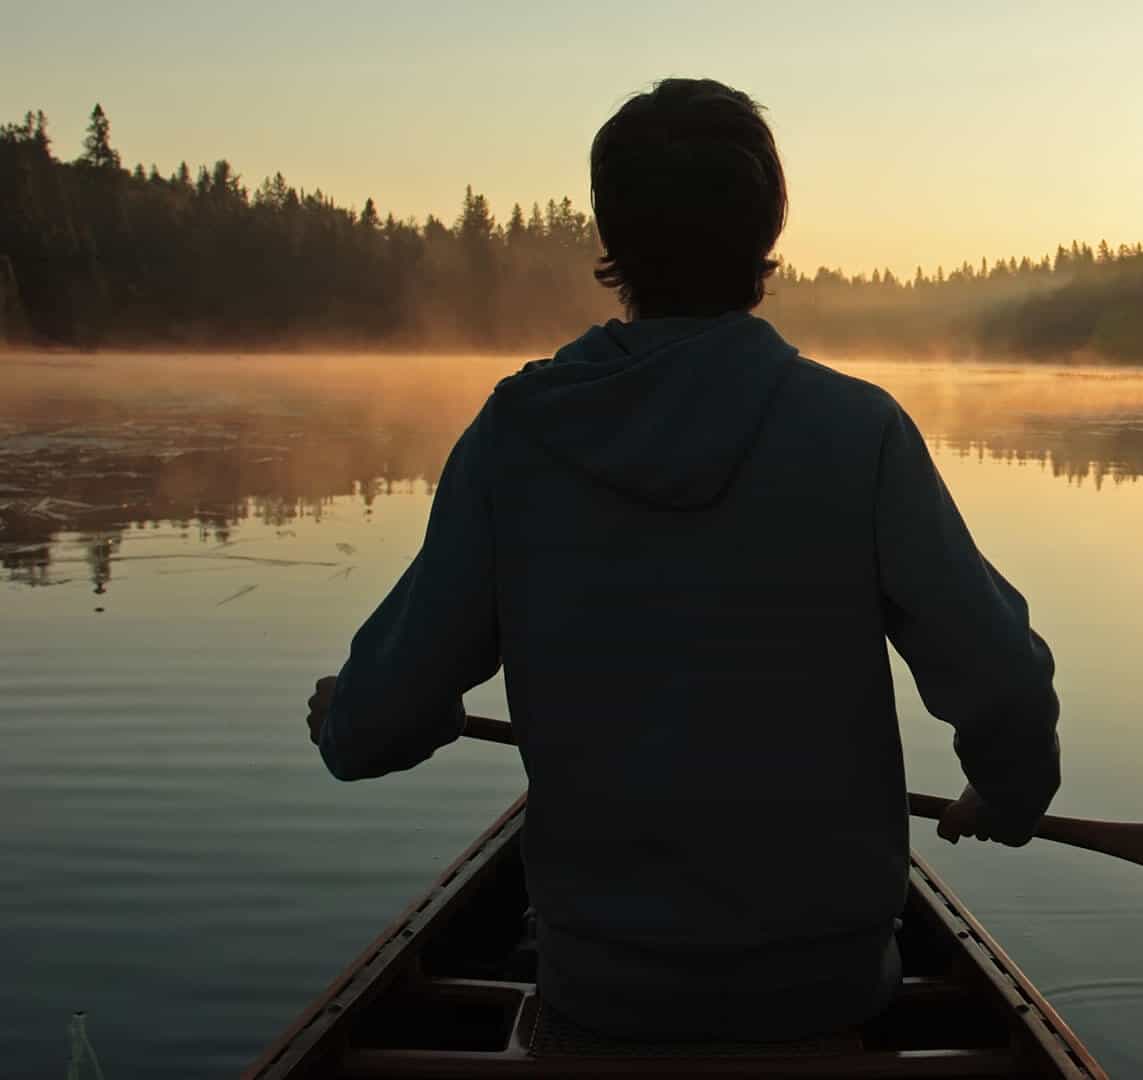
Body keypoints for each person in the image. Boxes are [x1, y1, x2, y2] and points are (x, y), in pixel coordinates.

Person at [301, 78, 1060, 1042]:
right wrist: (1010, 791)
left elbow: (373, 732)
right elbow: (1002, 684)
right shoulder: (856, 433)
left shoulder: (516, 440)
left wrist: (378, 718)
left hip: (603, 997)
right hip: (826, 992)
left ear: (612, 238)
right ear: (767, 232)